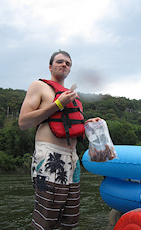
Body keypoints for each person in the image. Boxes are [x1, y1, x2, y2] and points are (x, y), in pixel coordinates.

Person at [18, 50, 101, 230]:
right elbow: (24, 122)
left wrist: (88, 124)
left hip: (73, 159)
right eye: (60, 62)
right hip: (50, 156)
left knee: (70, 218)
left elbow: (70, 124)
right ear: (50, 66)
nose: (64, 65)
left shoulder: (74, 96)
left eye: (68, 63)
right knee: (47, 217)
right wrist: (57, 105)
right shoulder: (38, 86)